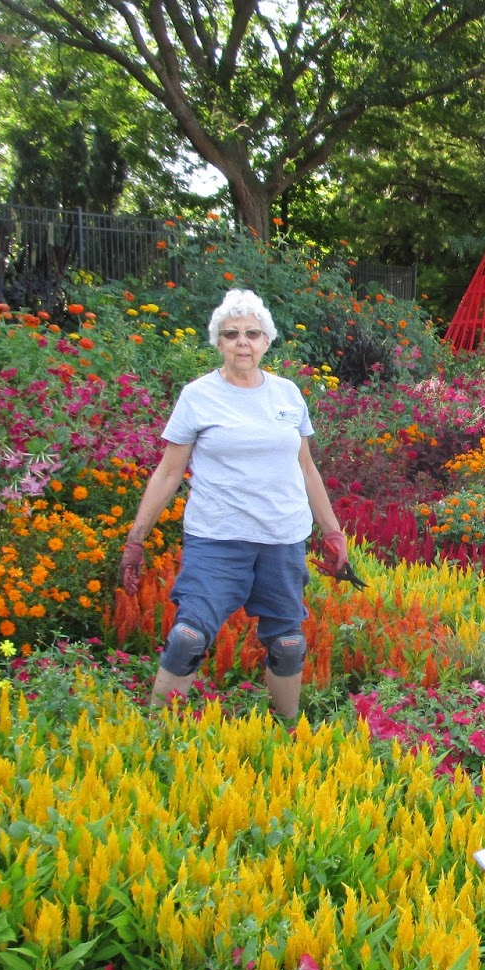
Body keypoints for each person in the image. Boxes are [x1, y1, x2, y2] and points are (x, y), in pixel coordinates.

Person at [118, 288, 348, 721]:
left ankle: (288, 733)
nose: (243, 341)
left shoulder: (287, 394)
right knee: (188, 637)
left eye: (252, 333)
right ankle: (155, 734)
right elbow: (168, 473)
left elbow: (306, 468)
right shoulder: (198, 396)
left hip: (282, 539)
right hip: (217, 539)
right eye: (231, 333)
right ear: (218, 342)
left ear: (267, 341)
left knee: (287, 643)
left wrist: (332, 532)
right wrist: (135, 540)